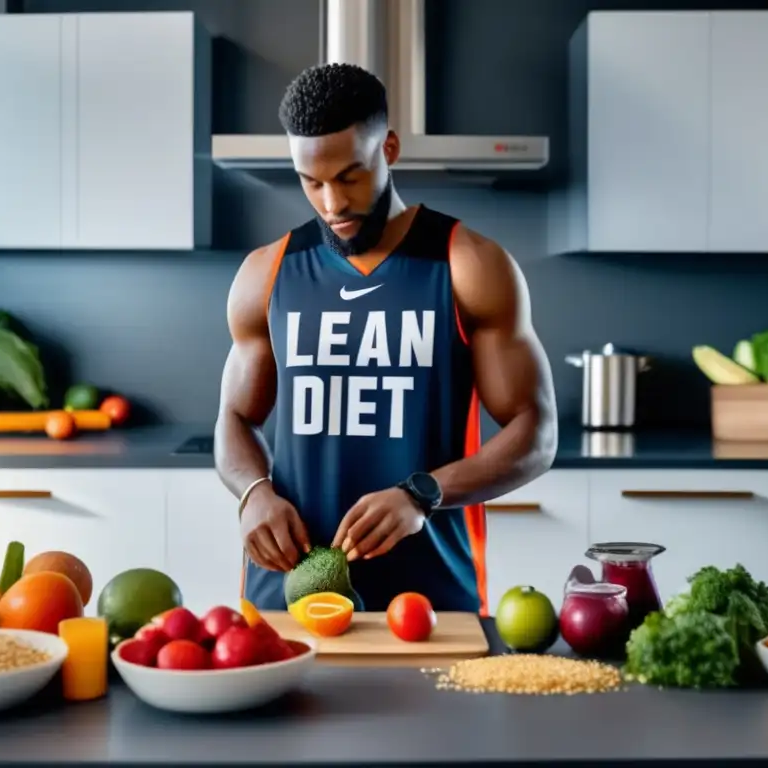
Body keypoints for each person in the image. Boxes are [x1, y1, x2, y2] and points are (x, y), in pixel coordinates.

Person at [214, 62, 557, 615]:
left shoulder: (468, 265)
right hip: (289, 596)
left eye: (350, 176)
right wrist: (254, 494)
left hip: (432, 601)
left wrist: (422, 493)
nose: (332, 204)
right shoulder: (267, 273)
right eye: (311, 181)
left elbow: (536, 434)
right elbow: (234, 419)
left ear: (389, 148)